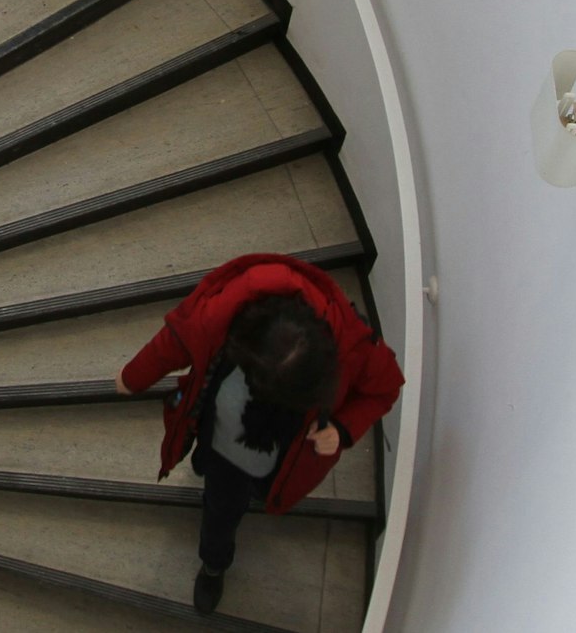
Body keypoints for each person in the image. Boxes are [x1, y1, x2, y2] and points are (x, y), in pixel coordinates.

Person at [114, 253, 404, 616]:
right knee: (219, 507)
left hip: (282, 452)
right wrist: (133, 376)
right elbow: (179, 337)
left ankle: (221, 547)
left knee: (234, 500)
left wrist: (343, 427)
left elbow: (385, 387)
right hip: (219, 435)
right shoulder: (224, 312)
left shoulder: (354, 346)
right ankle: (214, 561)